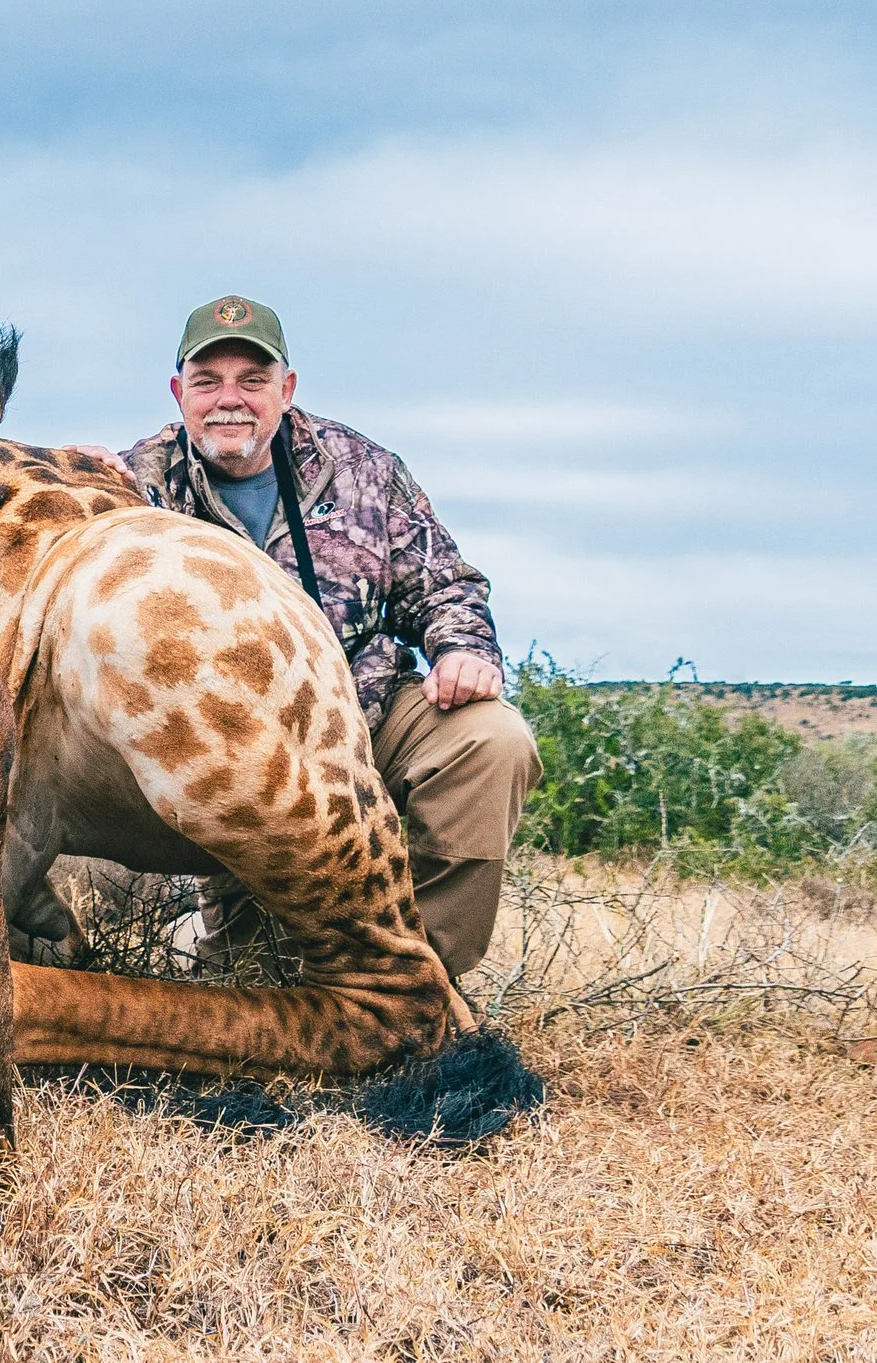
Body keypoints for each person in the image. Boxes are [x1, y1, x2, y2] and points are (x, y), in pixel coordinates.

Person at [79, 295, 539, 980]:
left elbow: (445, 584)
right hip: (219, 747)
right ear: (179, 393)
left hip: (363, 706)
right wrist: (74, 478)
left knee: (490, 742)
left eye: (252, 380)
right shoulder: (133, 485)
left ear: (286, 390)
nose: (228, 400)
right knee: (247, 976)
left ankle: (415, 986)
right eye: (207, 382)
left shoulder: (365, 471)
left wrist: (463, 649)